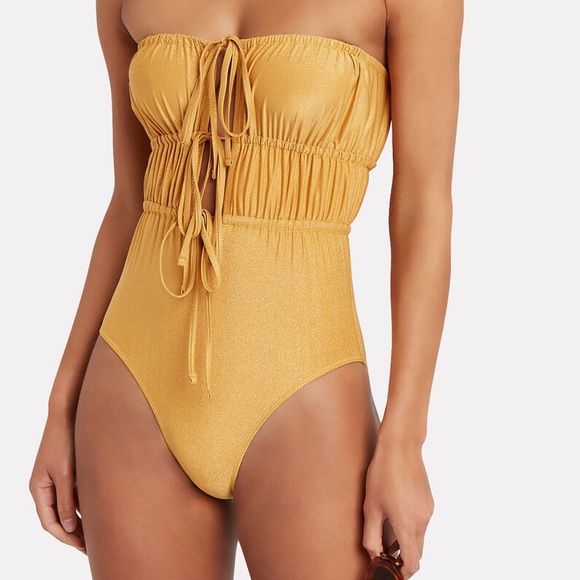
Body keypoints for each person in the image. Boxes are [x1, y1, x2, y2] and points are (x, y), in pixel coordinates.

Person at [29, 0, 463, 577]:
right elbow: (130, 202)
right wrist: (60, 407)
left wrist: (406, 442)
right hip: (132, 386)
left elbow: (422, 208)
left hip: (305, 389)